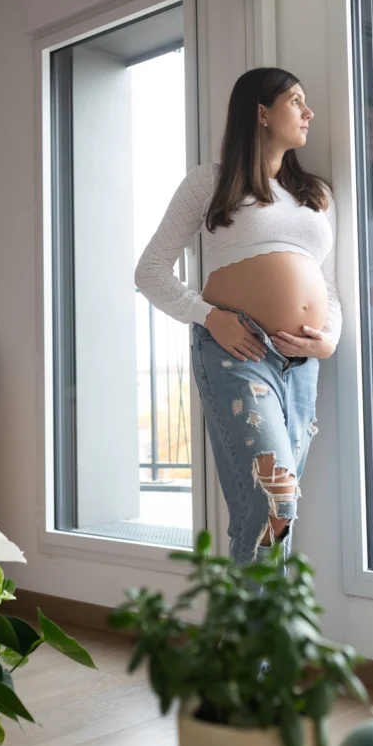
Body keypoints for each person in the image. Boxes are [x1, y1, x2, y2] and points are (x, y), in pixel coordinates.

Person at [135, 67, 341, 564]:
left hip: (302, 365)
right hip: (237, 354)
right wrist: (208, 316)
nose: (308, 112)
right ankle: (259, 638)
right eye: (296, 101)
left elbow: (327, 284)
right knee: (277, 501)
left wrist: (329, 337)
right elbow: (150, 270)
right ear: (262, 112)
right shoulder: (210, 182)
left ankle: (251, 637)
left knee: (275, 514)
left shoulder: (315, 194)